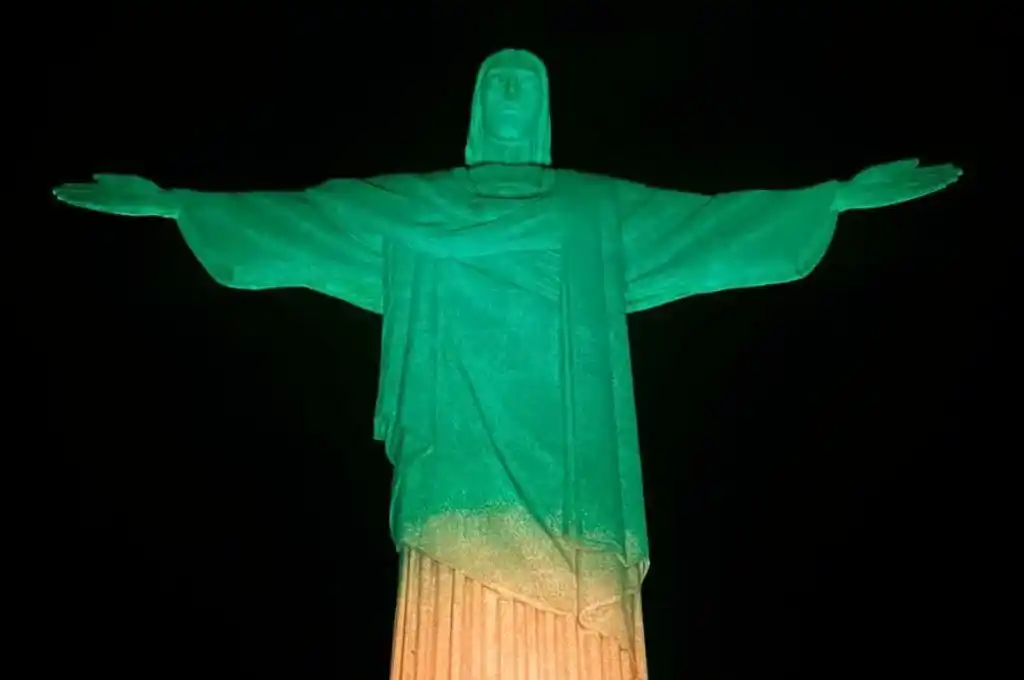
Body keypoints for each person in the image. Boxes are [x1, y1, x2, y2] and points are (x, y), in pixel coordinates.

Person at [54, 48, 961, 679]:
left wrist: (836, 198)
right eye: (500, 82)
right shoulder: (411, 206)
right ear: (478, 107)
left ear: (548, 109)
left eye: (529, 82)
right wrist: (176, 207)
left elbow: (715, 226)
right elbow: (296, 221)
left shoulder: (595, 211)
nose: (514, 93)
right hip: (457, 475)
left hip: (574, 486)